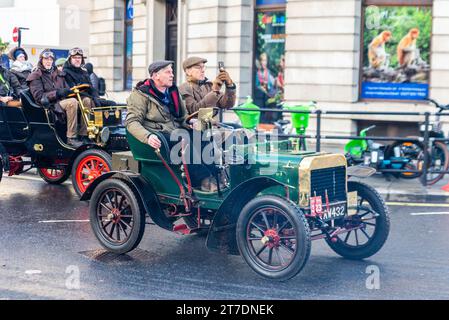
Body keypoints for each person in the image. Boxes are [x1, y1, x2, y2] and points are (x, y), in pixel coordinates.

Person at [125, 60, 221, 191]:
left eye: (172, 72)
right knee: (183, 140)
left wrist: (190, 121)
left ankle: (215, 175)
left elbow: (182, 117)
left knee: (202, 135)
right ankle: (203, 179)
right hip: (158, 136)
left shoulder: (173, 92)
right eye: (168, 72)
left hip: (175, 131)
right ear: (156, 75)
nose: (172, 75)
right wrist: (148, 137)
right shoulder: (140, 94)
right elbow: (131, 122)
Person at [27, 49, 87, 147]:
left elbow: (67, 90)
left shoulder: (58, 73)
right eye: (46, 59)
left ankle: (84, 135)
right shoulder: (36, 75)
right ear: (41, 60)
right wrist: (57, 93)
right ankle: (71, 138)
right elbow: (39, 97)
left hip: (60, 102)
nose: (48, 61)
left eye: (51, 59)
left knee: (85, 101)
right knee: (72, 102)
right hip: (49, 105)